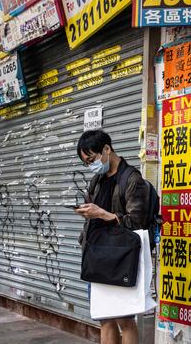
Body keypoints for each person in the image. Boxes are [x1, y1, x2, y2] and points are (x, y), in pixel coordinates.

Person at [75, 130, 148, 344]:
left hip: (120, 257)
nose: (91, 165)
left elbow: (137, 223)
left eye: (92, 159)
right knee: (104, 318)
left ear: (107, 149)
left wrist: (103, 214)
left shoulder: (132, 179)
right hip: (96, 254)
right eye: (86, 163)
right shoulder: (97, 180)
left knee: (125, 319)